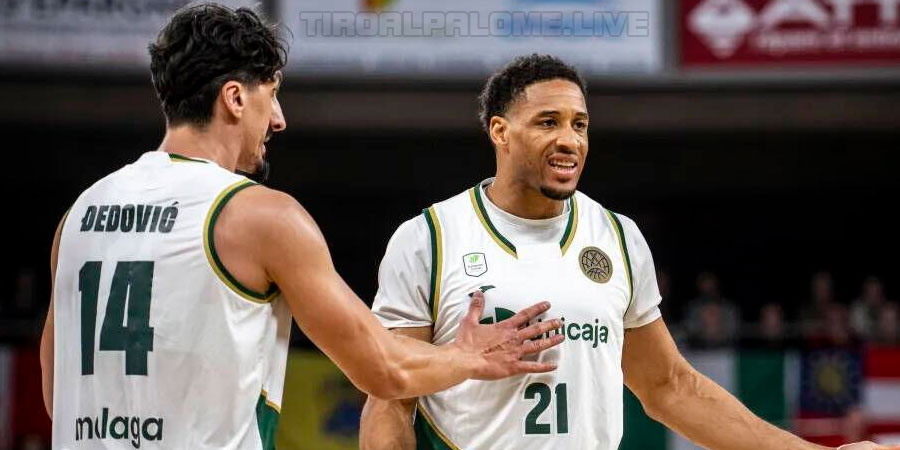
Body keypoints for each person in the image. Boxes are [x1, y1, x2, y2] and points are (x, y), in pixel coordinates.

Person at [38, 5, 564, 449]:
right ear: (235, 98)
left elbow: (54, 390)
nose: (279, 119)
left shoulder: (79, 214)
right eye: (272, 94)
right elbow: (383, 369)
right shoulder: (257, 215)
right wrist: (464, 356)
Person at [358, 54, 897, 450]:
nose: (570, 140)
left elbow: (669, 386)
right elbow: (390, 397)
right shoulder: (430, 236)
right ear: (500, 131)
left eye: (579, 124)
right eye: (548, 122)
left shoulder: (617, 235)